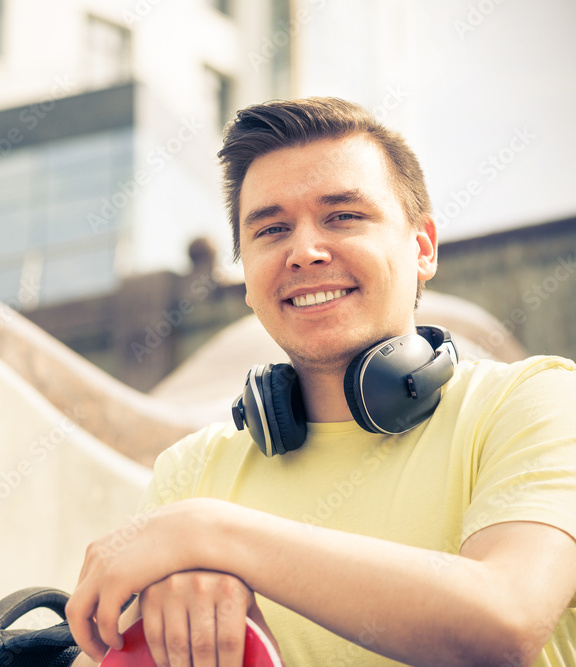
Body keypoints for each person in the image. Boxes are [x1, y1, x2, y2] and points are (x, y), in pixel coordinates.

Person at [64, 98, 576, 666]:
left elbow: (505, 621)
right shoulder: (192, 471)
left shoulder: (533, 400)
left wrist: (215, 535)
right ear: (248, 282)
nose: (304, 252)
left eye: (343, 216)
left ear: (423, 247)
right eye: (272, 229)